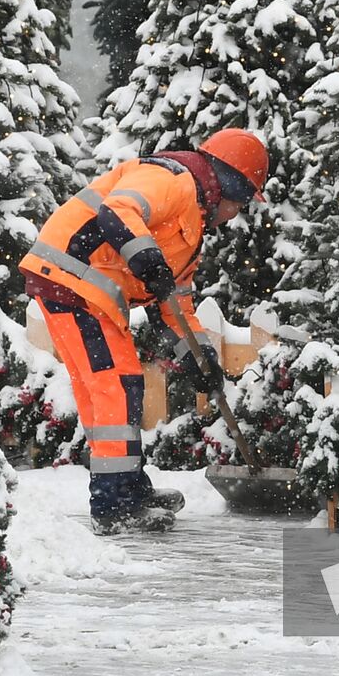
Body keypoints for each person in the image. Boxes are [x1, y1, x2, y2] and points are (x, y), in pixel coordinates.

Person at [19, 129, 269, 534]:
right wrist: (147, 260)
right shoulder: (173, 179)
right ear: (230, 182)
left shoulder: (192, 228)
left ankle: (128, 488)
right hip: (70, 278)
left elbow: (176, 304)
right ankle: (114, 504)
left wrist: (200, 358)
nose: (235, 213)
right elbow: (118, 211)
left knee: (117, 388)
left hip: (90, 292)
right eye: (240, 202)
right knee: (115, 386)